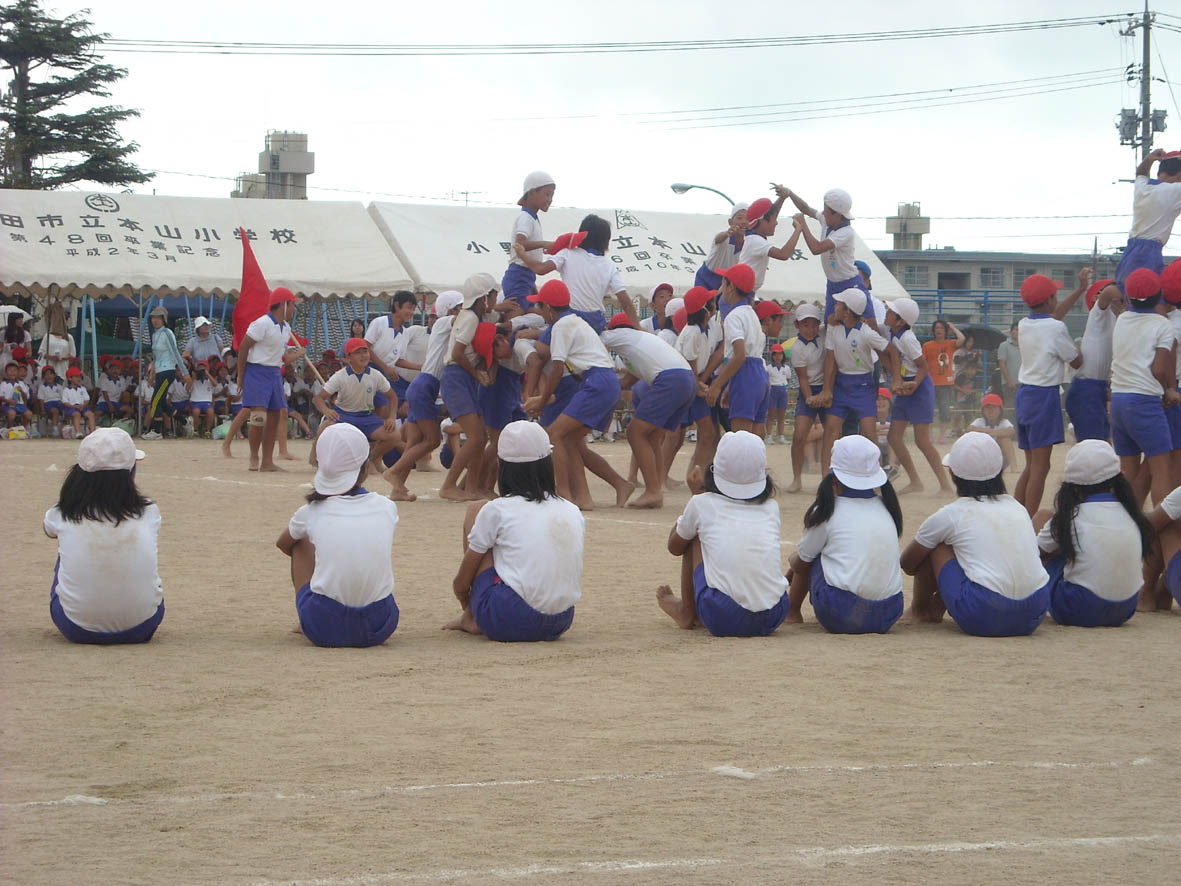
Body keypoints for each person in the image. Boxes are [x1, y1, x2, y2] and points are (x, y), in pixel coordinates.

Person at [445, 420, 582, 641]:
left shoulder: (497, 509)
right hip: (561, 619)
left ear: (500, 464)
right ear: (548, 462)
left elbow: (462, 581)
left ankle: (470, 616)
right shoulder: (571, 509)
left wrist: (463, 595)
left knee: (475, 510)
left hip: (509, 616)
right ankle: (477, 612)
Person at [901, 432, 1050, 636]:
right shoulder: (1017, 507)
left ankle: (920, 610)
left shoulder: (952, 514)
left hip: (984, 613)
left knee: (940, 545)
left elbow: (908, 564)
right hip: (1035, 611)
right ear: (1000, 471)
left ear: (952, 474)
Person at [276, 422, 399, 647]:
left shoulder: (311, 511)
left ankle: (305, 619)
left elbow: (284, 543)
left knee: (300, 542)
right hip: (380, 624)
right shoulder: (386, 507)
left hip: (324, 626)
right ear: (364, 469)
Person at [656, 430, 788, 636]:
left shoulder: (702, 503)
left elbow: (675, 546)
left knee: (693, 536)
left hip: (723, 617)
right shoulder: (771, 507)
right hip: (774, 614)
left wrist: (696, 496)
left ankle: (686, 612)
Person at [43, 428, 164, 644]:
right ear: (130, 473)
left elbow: (48, 530)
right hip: (143, 625)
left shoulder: (62, 513)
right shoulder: (149, 511)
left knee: (65, 552)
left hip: (76, 628)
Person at [525, 280, 631, 510]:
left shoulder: (561, 326)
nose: (539, 312)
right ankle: (584, 497)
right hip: (604, 382)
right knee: (570, 440)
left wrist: (542, 401)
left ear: (550, 308)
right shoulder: (575, 322)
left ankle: (564, 494)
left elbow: (556, 368)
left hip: (597, 382)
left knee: (554, 435)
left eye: (540, 307)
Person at [786, 434, 904, 632]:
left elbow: (803, 562)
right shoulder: (886, 507)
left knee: (810, 556)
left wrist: (792, 561)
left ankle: (792, 612)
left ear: (834, 476)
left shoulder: (826, 511)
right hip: (889, 612)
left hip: (841, 613)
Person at [1032, 439, 1152, 627]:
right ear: (1117, 480)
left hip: (1080, 608)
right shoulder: (1131, 514)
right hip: (1126, 608)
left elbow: (1033, 553)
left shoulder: (1070, 517)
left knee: (1042, 520)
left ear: (1072, 486)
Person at [602, 313, 697, 509]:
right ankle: (657, 489)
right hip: (686, 379)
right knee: (653, 437)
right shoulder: (640, 343)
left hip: (670, 379)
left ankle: (653, 491)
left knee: (635, 432)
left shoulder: (622, 334)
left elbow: (593, 338)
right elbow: (628, 381)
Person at [385, 290, 464, 501]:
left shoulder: (444, 326)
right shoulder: (445, 322)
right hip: (425, 386)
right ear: (451, 309)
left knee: (415, 442)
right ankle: (392, 472)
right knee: (431, 441)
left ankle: (398, 488)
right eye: (460, 307)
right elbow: (464, 319)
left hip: (422, 386)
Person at [1014, 274, 1082, 516]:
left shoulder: (1024, 324)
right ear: (1049, 299)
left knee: (1032, 465)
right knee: (1042, 468)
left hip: (1025, 395)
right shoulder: (1056, 328)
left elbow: (1051, 320)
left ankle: (1018, 513)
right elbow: (1076, 360)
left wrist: (1080, 290)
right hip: (1044, 397)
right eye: (1055, 295)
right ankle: (1029, 519)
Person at [1109, 268, 1177, 506]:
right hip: (1144, 400)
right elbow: (1159, 369)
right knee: (1162, 470)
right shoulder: (1162, 325)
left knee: (1128, 472)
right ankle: (1162, 532)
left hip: (1118, 401)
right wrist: (1169, 389)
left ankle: (1128, 526)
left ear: (1127, 297)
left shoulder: (1122, 320)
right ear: (1159, 295)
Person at [816, 287, 896, 474]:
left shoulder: (866, 332)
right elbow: (830, 360)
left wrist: (896, 377)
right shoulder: (834, 329)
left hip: (864, 385)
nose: (834, 306)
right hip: (842, 384)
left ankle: (876, 477)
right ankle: (826, 478)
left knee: (869, 433)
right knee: (831, 431)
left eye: (838, 304)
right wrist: (827, 389)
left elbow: (889, 349)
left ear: (847, 311)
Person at [513, 215, 639, 331]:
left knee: (543, 345)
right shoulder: (610, 266)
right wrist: (638, 327)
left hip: (569, 318)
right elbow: (626, 303)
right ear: (606, 241)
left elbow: (540, 269)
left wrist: (522, 255)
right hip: (595, 322)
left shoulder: (568, 253)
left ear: (581, 234)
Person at [439, 274, 499, 501]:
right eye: (492, 296)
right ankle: (449, 485)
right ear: (484, 298)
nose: (494, 301)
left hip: (463, 378)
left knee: (480, 437)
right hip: (457, 376)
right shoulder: (471, 319)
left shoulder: (471, 315)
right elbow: (457, 353)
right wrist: (477, 373)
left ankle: (472, 487)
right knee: (475, 437)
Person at [884, 297, 952, 495]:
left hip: (919, 387)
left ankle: (945, 485)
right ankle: (915, 481)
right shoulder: (892, 331)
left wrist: (913, 386)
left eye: (891, 312)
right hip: (906, 386)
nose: (887, 313)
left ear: (901, 321)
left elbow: (923, 366)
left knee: (922, 441)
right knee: (894, 437)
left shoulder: (908, 338)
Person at [237, 287, 305, 472]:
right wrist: (241, 375)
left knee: (275, 417)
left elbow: (281, 355)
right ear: (283, 305)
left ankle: (267, 461)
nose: (293, 309)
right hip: (256, 372)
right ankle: (253, 456)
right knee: (258, 417)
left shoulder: (286, 328)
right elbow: (243, 348)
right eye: (292, 305)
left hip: (275, 372)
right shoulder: (262, 323)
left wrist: (296, 355)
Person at [314, 337, 403, 473]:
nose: (363, 355)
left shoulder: (375, 375)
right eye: (358, 352)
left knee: (394, 435)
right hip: (343, 415)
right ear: (348, 357)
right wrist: (326, 411)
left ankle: (369, 460)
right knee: (324, 429)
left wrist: (391, 417)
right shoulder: (340, 376)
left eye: (365, 351)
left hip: (366, 417)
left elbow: (392, 397)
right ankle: (323, 462)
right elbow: (319, 398)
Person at [782, 186, 872, 322]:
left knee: (868, 323)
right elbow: (806, 209)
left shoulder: (846, 232)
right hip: (832, 284)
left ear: (837, 215)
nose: (823, 213)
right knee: (831, 324)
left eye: (826, 211)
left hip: (849, 283)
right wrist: (790, 194)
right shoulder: (828, 220)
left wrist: (803, 225)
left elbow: (816, 248)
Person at [706, 263, 770, 435]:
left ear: (731, 287)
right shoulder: (752, 314)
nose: (722, 288)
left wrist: (718, 385)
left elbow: (740, 355)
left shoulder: (733, 316)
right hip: (760, 374)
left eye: (723, 283)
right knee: (756, 435)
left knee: (741, 437)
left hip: (745, 373)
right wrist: (730, 386)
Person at [1113, 148, 1181, 290]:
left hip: (1131, 249)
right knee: (1153, 296)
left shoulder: (1143, 188)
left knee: (1128, 294)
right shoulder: (1175, 190)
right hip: (1149, 252)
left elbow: (1141, 174)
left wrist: (1149, 159)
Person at [1063, 278, 1121, 442]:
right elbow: (1109, 294)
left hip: (1094, 388)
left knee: (1101, 443)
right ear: (1097, 298)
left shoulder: (1114, 319)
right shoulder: (1099, 314)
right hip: (1087, 389)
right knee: (1094, 445)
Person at [675, 285, 720, 481]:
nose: (715, 306)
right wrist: (698, 386)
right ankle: (697, 474)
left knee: (707, 432)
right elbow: (689, 362)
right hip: (686, 380)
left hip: (693, 379)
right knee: (706, 432)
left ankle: (697, 472)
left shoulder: (705, 329)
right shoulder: (692, 331)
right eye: (711, 303)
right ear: (705, 310)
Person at [501, 171, 556, 309]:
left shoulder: (532, 218)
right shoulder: (526, 218)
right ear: (531, 193)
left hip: (526, 275)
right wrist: (544, 244)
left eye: (552, 195)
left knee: (528, 313)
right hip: (519, 275)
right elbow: (520, 243)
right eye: (547, 194)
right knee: (518, 314)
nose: (550, 199)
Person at [787, 304, 826, 493]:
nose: (810, 329)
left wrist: (825, 392)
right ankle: (796, 478)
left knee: (833, 434)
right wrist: (810, 398)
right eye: (805, 325)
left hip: (827, 389)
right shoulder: (797, 349)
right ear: (797, 325)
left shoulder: (825, 336)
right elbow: (802, 377)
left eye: (814, 325)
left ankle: (828, 478)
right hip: (808, 391)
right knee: (799, 435)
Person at [736, 191, 801, 294]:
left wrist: (782, 198)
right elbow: (783, 255)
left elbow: (768, 214)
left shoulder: (753, 236)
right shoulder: (756, 241)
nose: (776, 223)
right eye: (774, 219)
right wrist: (798, 230)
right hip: (741, 292)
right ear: (763, 221)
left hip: (743, 290)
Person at [142, 306, 190, 441]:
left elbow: (175, 352)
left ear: (164, 319)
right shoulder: (155, 335)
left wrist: (185, 373)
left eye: (158, 318)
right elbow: (156, 356)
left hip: (168, 371)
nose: (155, 320)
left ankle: (156, 430)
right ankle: (184, 421)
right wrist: (152, 373)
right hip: (159, 371)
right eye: (153, 317)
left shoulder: (167, 333)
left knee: (155, 400)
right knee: (161, 402)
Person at [922, 319, 964, 443]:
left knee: (945, 411)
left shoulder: (950, 344)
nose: (939, 330)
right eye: (936, 328)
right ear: (933, 331)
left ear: (946, 331)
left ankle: (941, 435)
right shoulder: (927, 345)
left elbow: (962, 339)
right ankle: (929, 434)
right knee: (929, 410)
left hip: (946, 383)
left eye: (941, 328)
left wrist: (953, 327)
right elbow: (922, 363)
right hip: (930, 382)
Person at [694, 203, 748, 291]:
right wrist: (727, 233)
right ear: (730, 222)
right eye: (739, 218)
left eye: (748, 219)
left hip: (726, 281)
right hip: (706, 276)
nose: (744, 222)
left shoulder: (750, 244)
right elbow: (718, 239)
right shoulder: (723, 236)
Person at [970, 393, 1017, 471]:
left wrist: (992, 433)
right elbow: (969, 429)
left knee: (1005, 439)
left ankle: (1013, 465)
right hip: (984, 459)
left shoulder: (1004, 422)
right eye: (987, 408)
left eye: (994, 407)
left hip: (1000, 459)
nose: (990, 410)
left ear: (1000, 410)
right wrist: (987, 431)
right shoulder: (979, 421)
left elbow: (1011, 431)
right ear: (983, 410)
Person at [39, 302, 77, 380]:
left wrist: (62, 358)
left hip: (62, 369)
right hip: (49, 367)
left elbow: (72, 355)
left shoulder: (69, 338)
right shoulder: (48, 336)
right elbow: (42, 353)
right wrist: (51, 357)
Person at [995, 321, 1021, 413]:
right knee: (1011, 409)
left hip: (1023, 383)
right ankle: (1010, 426)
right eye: (1016, 329)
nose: (1018, 332)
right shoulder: (1004, 346)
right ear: (1011, 332)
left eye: (1020, 330)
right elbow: (1002, 364)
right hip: (1010, 384)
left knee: (1022, 408)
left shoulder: (1025, 346)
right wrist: (1009, 381)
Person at [61, 366, 95, 437]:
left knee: (91, 414)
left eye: (79, 377)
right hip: (71, 408)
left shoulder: (83, 389)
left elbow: (87, 399)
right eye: (76, 377)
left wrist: (83, 405)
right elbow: (65, 402)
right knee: (76, 414)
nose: (79, 378)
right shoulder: (66, 390)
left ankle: (93, 433)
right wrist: (74, 406)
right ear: (70, 378)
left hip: (82, 407)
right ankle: (78, 432)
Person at [766, 343, 790, 444]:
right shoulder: (768, 368)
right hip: (772, 391)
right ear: (772, 355)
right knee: (771, 415)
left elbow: (787, 379)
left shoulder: (787, 368)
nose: (778, 357)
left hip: (783, 390)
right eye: (776, 354)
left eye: (780, 354)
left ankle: (781, 436)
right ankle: (768, 436)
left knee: (782, 416)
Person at [1, 360, 32, 430]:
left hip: (20, 404)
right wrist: (8, 401)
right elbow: (1, 397)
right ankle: (11, 429)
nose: (12, 372)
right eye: (10, 370)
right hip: (7, 405)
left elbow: (26, 396)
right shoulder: (3, 384)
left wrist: (21, 391)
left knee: (29, 414)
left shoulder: (21, 383)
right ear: (6, 373)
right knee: (12, 413)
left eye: (15, 370)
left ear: (17, 372)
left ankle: (22, 429)